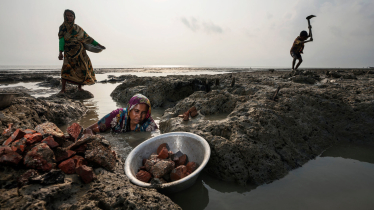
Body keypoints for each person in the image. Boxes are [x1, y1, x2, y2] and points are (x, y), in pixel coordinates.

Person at [58, 9, 105, 94]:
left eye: (71, 16)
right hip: (68, 52)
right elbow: (61, 40)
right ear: (64, 16)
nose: (69, 17)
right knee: (66, 68)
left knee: (82, 68)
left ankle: (79, 87)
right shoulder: (63, 27)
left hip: (81, 51)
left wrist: (99, 45)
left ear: (74, 17)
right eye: (67, 15)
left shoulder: (78, 28)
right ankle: (63, 89)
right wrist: (60, 52)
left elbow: (88, 38)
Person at [84, 94, 158, 134]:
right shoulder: (117, 116)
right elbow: (89, 129)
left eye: (143, 112)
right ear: (129, 109)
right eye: (136, 111)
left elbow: (158, 138)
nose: (139, 116)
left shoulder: (148, 122)